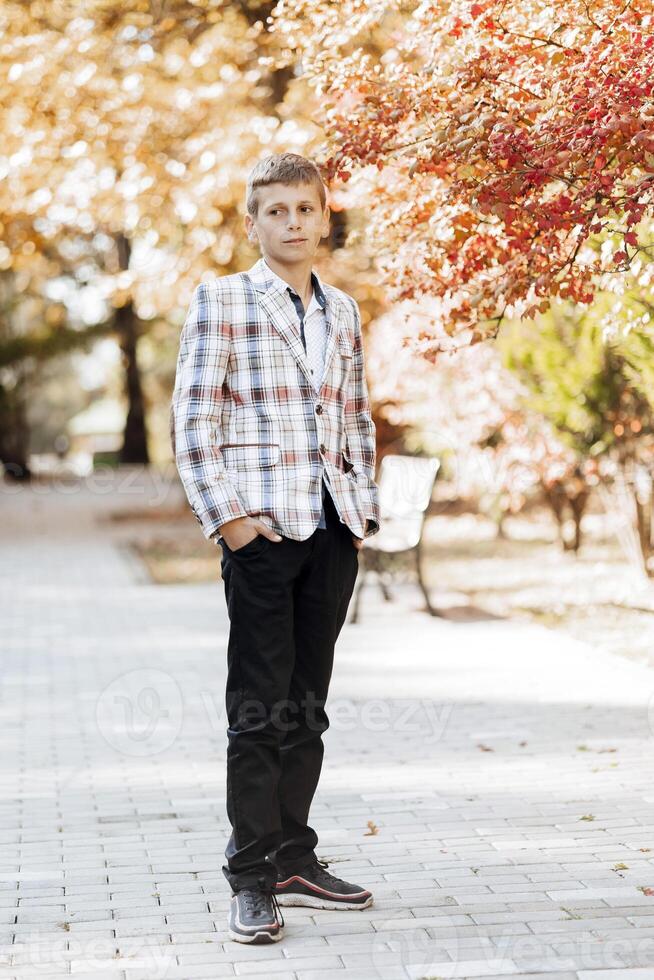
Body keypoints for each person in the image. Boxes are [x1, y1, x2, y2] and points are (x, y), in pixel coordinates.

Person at [170, 151, 381, 944]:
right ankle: (251, 875)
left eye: (306, 209)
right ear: (252, 222)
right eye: (277, 211)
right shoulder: (222, 301)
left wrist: (360, 509)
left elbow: (356, 416)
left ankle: (296, 853)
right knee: (258, 709)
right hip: (260, 533)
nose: (293, 223)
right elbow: (194, 424)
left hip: (331, 530)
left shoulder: (345, 312)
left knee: (307, 707)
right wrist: (230, 523)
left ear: (324, 217)